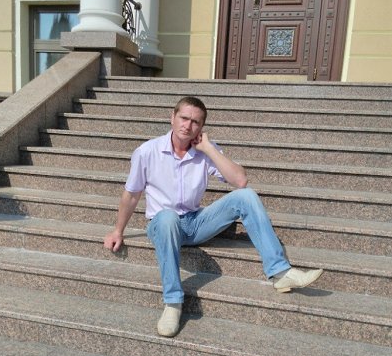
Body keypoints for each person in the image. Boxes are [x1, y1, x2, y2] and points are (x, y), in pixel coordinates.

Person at [104, 96, 323, 337]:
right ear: (172, 117)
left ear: (201, 127)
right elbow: (132, 194)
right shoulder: (147, 152)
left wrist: (208, 149)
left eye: (195, 122)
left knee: (246, 196)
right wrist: (118, 231)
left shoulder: (204, 150)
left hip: (195, 222)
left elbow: (240, 180)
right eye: (184, 118)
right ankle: (173, 303)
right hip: (162, 225)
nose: (188, 125)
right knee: (167, 218)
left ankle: (280, 272)